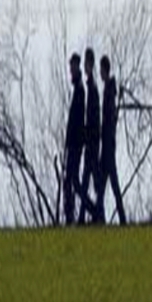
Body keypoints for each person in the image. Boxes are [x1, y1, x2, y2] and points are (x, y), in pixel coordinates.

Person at [96, 53, 126, 226]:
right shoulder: (109, 90)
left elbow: (110, 118)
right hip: (108, 144)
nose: (100, 73)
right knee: (106, 186)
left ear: (104, 70)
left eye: (101, 69)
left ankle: (110, 219)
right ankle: (106, 218)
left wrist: (106, 137)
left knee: (108, 185)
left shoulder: (109, 91)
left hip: (108, 145)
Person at [79, 46, 103, 223]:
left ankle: (96, 214)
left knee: (92, 182)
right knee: (87, 182)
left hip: (92, 144)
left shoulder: (92, 89)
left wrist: (90, 138)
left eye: (86, 63)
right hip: (91, 143)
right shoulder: (91, 87)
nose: (84, 67)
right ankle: (87, 216)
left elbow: (94, 119)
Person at [62, 53, 86, 224]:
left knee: (71, 181)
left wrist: (72, 141)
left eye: (73, 66)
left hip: (76, 144)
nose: (71, 69)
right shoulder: (77, 90)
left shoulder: (80, 90)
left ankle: (72, 216)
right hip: (74, 144)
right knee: (72, 182)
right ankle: (74, 215)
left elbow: (76, 120)